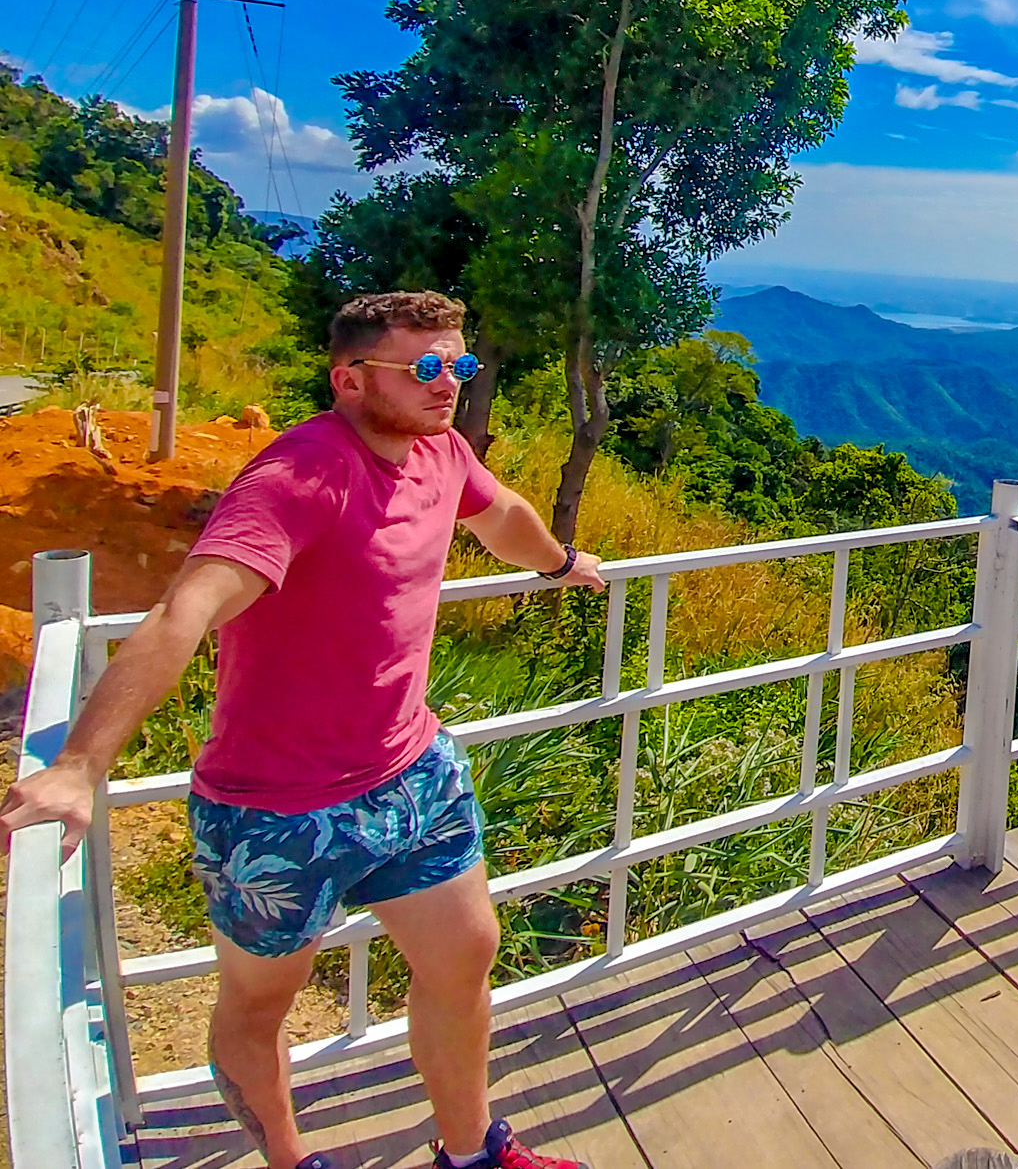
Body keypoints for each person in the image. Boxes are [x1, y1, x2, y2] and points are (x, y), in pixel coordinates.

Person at [0, 292, 607, 1169]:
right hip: (276, 811)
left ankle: (471, 1152)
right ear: (351, 380)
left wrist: (559, 560)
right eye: (427, 368)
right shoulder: (300, 476)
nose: (450, 386)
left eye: (460, 365)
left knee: (467, 953)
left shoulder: (441, 449)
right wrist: (78, 767)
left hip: (411, 771)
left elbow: (499, 510)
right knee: (257, 1007)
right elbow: (185, 611)